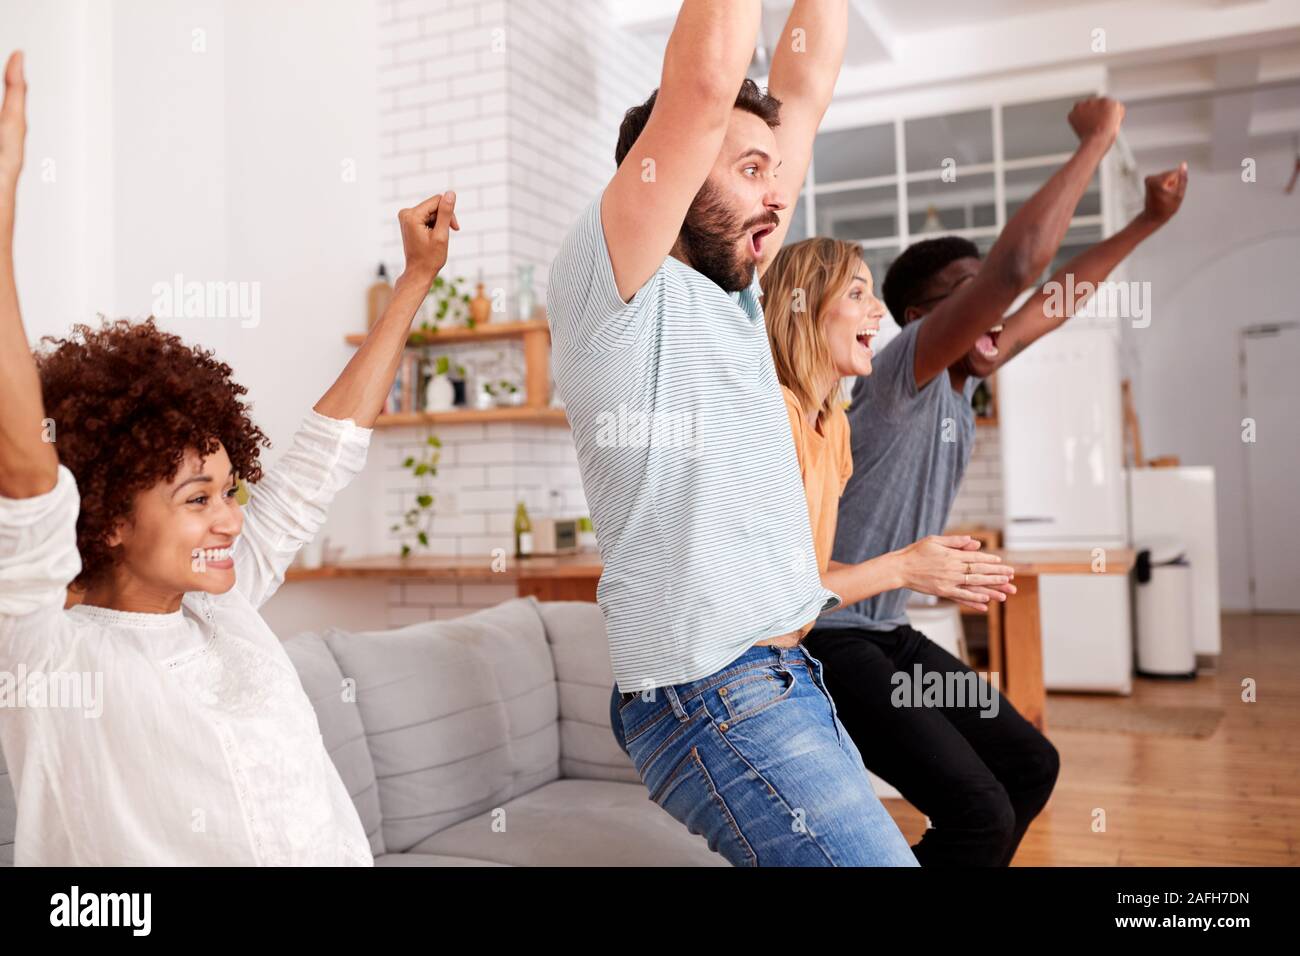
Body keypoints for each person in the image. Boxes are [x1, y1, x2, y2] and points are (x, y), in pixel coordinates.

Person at [0, 50, 460, 865]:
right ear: (104, 517)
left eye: (229, 489)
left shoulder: (225, 603)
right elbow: (25, 474)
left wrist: (416, 280)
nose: (230, 518)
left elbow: (322, 458)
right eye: (196, 498)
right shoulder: (44, 648)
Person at [549, 0, 916, 866]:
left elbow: (806, 87)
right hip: (712, 693)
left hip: (783, 680)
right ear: (669, 171)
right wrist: (712, 114)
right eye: (751, 169)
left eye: (775, 174)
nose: (778, 194)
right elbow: (709, 80)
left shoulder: (733, 298)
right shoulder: (614, 286)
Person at [806, 97, 1189, 866]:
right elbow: (1022, 265)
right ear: (919, 318)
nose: (999, 308)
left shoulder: (962, 380)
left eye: (993, 301)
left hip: (889, 637)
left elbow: (1053, 293)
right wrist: (1097, 140)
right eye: (970, 297)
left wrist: (1146, 223)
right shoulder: (899, 371)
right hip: (831, 642)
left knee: (1028, 764)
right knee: (978, 810)